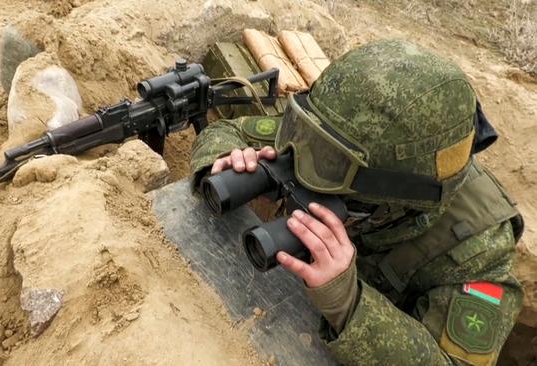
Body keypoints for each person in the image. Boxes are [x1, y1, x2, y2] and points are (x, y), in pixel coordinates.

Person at [190, 39, 524, 365]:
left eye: (333, 172)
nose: (311, 174)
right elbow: (229, 132)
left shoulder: (481, 253)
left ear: (402, 199)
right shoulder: (333, 135)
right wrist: (225, 161)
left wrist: (349, 305)